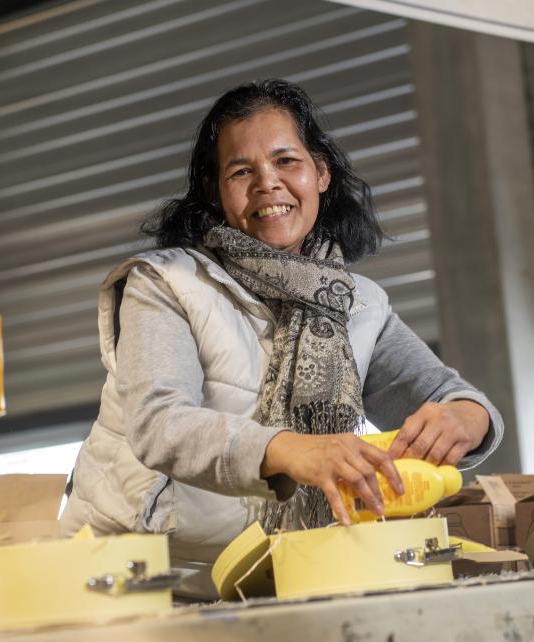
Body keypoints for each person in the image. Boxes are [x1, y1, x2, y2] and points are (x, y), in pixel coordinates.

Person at [60, 79, 503, 598]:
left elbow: (448, 395)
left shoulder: (355, 305)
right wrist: (292, 450)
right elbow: (161, 424)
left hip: (273, 578)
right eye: (241, 171)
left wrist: (467, 417)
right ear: (216, 191)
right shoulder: (164, 283)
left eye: (286, 161)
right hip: (137, 580)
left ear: (320, 173)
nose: (267, 183)